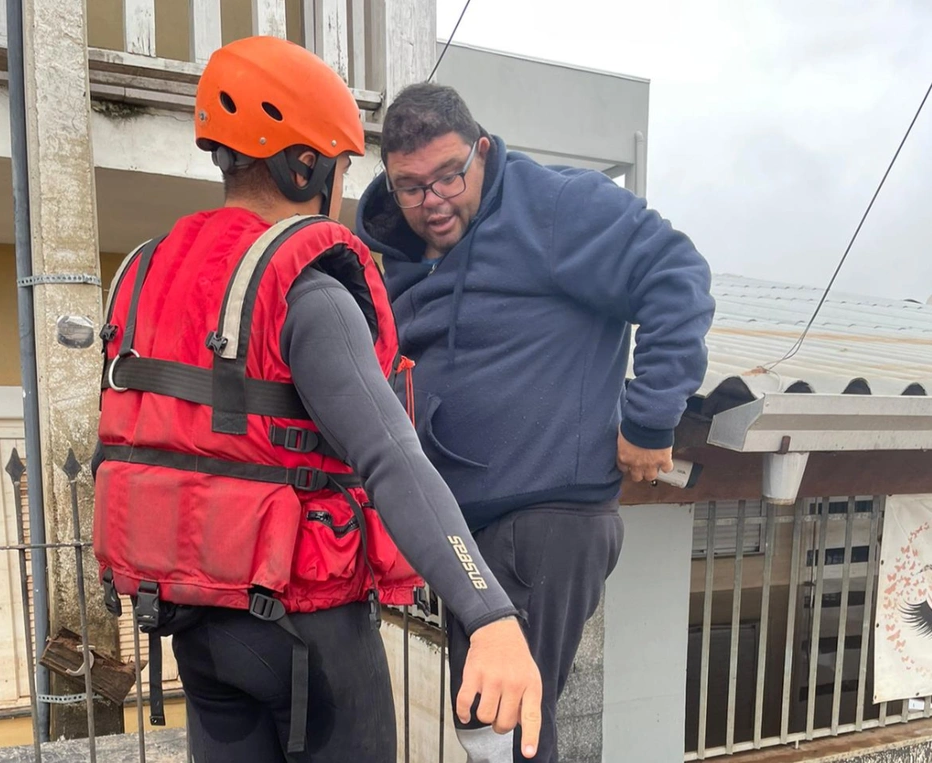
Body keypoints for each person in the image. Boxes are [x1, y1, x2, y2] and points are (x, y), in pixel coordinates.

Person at [91, 39, 542, 763]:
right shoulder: (304, 283)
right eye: (340, 165)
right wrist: (488, 610)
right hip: (307, 634)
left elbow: (132, 439)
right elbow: (392, 458)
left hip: (195, 628)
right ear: (308, 166)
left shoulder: (145, 273)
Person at [356, 83, 716, 763]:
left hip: (547, 519)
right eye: (410, 186)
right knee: (495, 731)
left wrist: (648, 419)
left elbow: (677, 275)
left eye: (449, 175)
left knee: (506, 733)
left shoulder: (553, 207)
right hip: (465, 534)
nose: (432, 201)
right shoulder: (398, 249)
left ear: (483, 151)